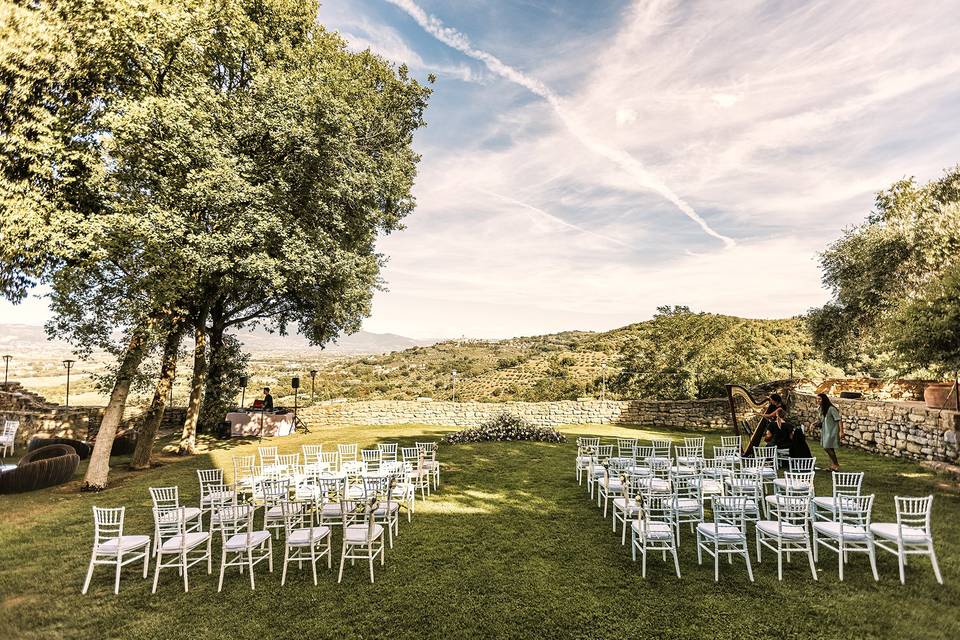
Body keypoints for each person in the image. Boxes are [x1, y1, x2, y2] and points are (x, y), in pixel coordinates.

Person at [816, 393, 843, 470]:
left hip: (832, 431)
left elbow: (839, 420)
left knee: (827, 447)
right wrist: (814, 424)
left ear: (824, 400)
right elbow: (821, 420)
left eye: (819, 399)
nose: (818, 401)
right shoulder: (820, 409)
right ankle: (833, 465)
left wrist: (841, 431)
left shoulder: (831, 409)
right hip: (825, 431)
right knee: (829, 448)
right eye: (817, 399)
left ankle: (836, 464)